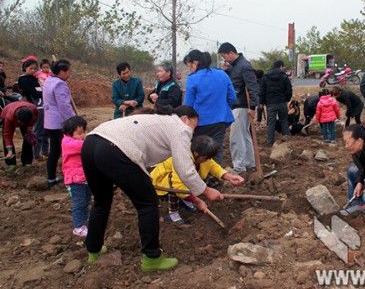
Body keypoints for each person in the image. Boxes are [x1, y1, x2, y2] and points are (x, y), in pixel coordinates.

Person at [81, 105, 224, 272]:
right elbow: (184, 168)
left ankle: (93, 250)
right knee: (148, 204)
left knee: (101, 201)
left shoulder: (156, 121)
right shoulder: (181, 128)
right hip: (117, 150)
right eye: (194, 125)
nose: (193, 131)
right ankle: (152, 257)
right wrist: (206, 191)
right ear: (185, 119)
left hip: (91, 143)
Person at [151, 135, 244, 225]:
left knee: (199, 180)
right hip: (160, 185)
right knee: (175, 183)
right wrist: (198, 201)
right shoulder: (181, 160)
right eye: (206, 157)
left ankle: (184, 200)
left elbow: (213, 166)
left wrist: (229, 176)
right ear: (196, 153)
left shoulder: (203, 157)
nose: (208, 160)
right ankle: (173, 214)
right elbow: (178, 185)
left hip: (181, 182)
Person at [183, 50, 236, 165]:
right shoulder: (222, 74)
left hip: (200, 122)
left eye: (189, 65)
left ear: (195, 63)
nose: (189, 69)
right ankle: (217, 178)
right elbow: (232, 97)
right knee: (216, 149)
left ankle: (200, 178)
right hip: (220, 120)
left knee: (199, 151)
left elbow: (188, 106)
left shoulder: (193, 78)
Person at [218, 42, 259, 174]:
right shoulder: (235, 66)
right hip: (237, 105)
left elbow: (252, 87)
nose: (224, 59)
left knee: (236, 137)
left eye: (224, 56)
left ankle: (239, 166)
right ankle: (250, 163)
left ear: (231, 53)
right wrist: (226, 70)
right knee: (244, 135)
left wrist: (252, 106)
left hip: (241, 106)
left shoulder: (244, 66)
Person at [43, 59, 75, 187]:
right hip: (59, 123)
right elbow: (64, 106)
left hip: (50, 122)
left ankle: (51, 178)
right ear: (61, 72)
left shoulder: (49, 81)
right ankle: (70, 177)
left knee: (54, 151)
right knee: (67, 150)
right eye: (68, 72)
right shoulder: (60, 84)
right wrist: (72, 121)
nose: (69, 75)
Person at [62, 116, 91, 237]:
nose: (83, 135)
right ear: (69, 133)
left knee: (86, 201)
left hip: (84, 178)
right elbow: (85, 146)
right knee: (79, 203)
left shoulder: (76, 140)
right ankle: (78, 227)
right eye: (79, 133)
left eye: (84, 132)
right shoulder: (68, 143)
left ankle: (84, 222)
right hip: (75, 180)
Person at [18, 59, 49, 161]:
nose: (33, 70)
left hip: (42, 105)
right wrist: (42, 92)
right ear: (25, 68)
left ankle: (45, 150)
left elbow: (40, 90)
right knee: (38, 130)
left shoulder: (35, 78)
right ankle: (37, 154)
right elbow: (34, 92)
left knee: (45, 129)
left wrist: (41, 91)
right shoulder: (23, 79)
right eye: (30, 68)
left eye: (35, 69)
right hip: (34, 106)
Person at [260, 60, 293, 146]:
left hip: (270, 103)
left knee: (271, 123)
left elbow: (262, 91)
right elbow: (289, 90)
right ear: (281, 66)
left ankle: (270, 143)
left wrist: (263, 102)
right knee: (284, 121)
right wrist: (286, 99)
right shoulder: (284, 76)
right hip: (282, 102)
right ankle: (288, 142)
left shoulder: (265, 76)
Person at [1, 101, 38, 170]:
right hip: (8, 111)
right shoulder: (9, 117)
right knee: (6, 138)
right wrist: (9, 150)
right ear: (18, 120)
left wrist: (29, 128)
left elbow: (33, 120)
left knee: (28, 137)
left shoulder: (34, 110)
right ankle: (11, 163)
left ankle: (27, 161)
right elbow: (7, 134)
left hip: (26, 116)